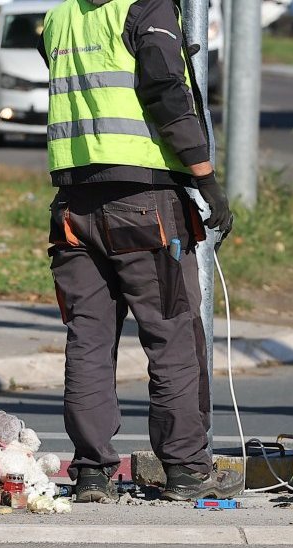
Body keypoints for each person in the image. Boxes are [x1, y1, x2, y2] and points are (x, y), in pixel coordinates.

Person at [39, 0, 241, 502]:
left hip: (73, 205)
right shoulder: (145, 9)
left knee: (87, 341)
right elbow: (165, 93)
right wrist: (207, 179)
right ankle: (186, 469)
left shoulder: (60, 16)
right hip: (143, 202)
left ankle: (91, 473)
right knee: (172, 335)